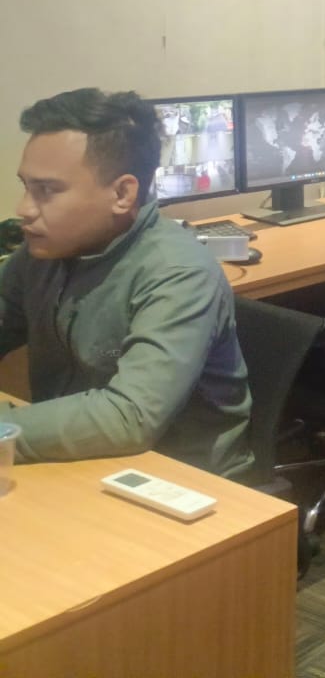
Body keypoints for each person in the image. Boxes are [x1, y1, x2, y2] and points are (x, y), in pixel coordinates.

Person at [0, 88, 252, 476]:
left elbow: (129, 416)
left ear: (122, 193)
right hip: (76, 459)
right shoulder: (44, 253)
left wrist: (6, 428)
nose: (24, 209)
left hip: (183, 481)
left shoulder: (177, 272)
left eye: (46, 191)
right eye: (26, 187)